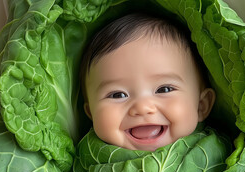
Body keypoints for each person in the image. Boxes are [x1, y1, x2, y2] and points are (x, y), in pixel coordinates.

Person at [80, 12, 215, 152]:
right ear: (91, 113)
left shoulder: (223, 157)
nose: (142, 108)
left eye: (164, 89)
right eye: (118, 95)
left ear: (201, 106)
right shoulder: (80, 163)